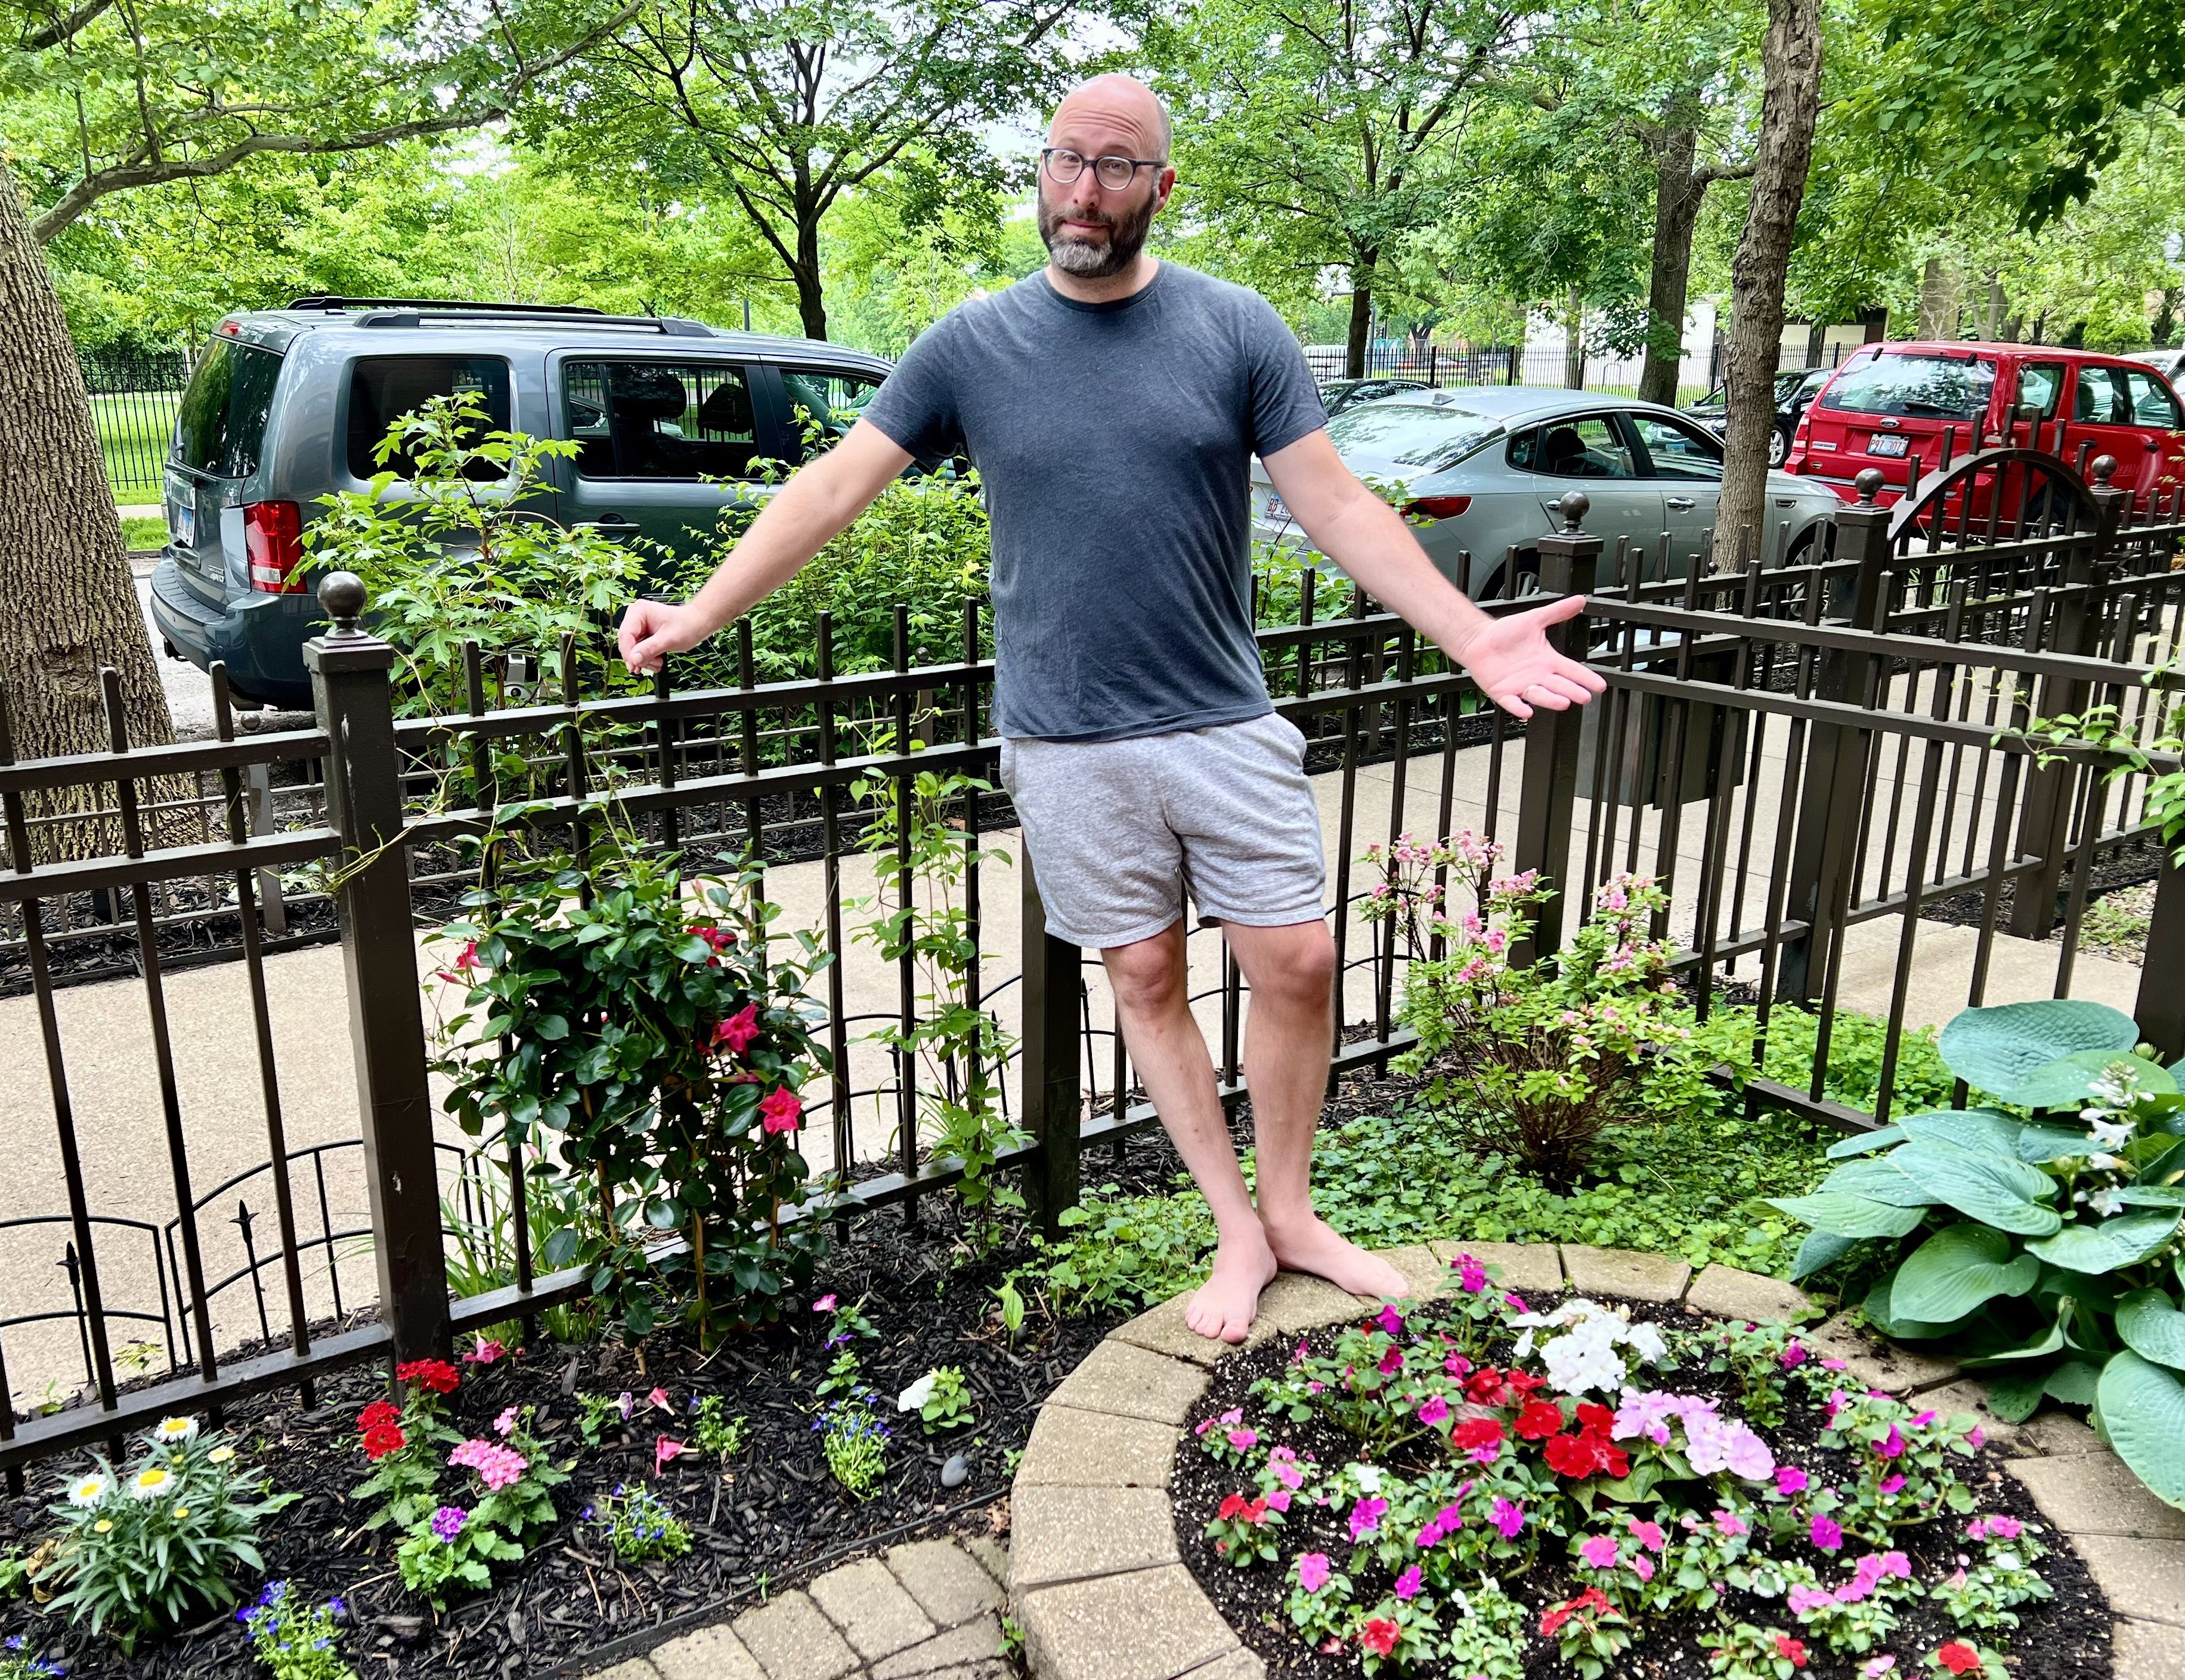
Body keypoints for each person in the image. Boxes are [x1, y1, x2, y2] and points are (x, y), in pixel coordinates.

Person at [618, 73, 1604, 1342]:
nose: (1085, 189)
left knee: (1297, 959)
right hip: (1067, 733)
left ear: (1160, 185)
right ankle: (1237, 1231)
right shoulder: (969, 345)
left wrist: (1470, 634)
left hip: (1219, 717)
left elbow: (1338, 503)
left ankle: (1294, 1211)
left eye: (1118, 165)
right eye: (1067, 161)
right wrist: (699, 612)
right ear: (1041, 169)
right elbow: (831, 487)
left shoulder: (1235, 330)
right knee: (1142, 973)